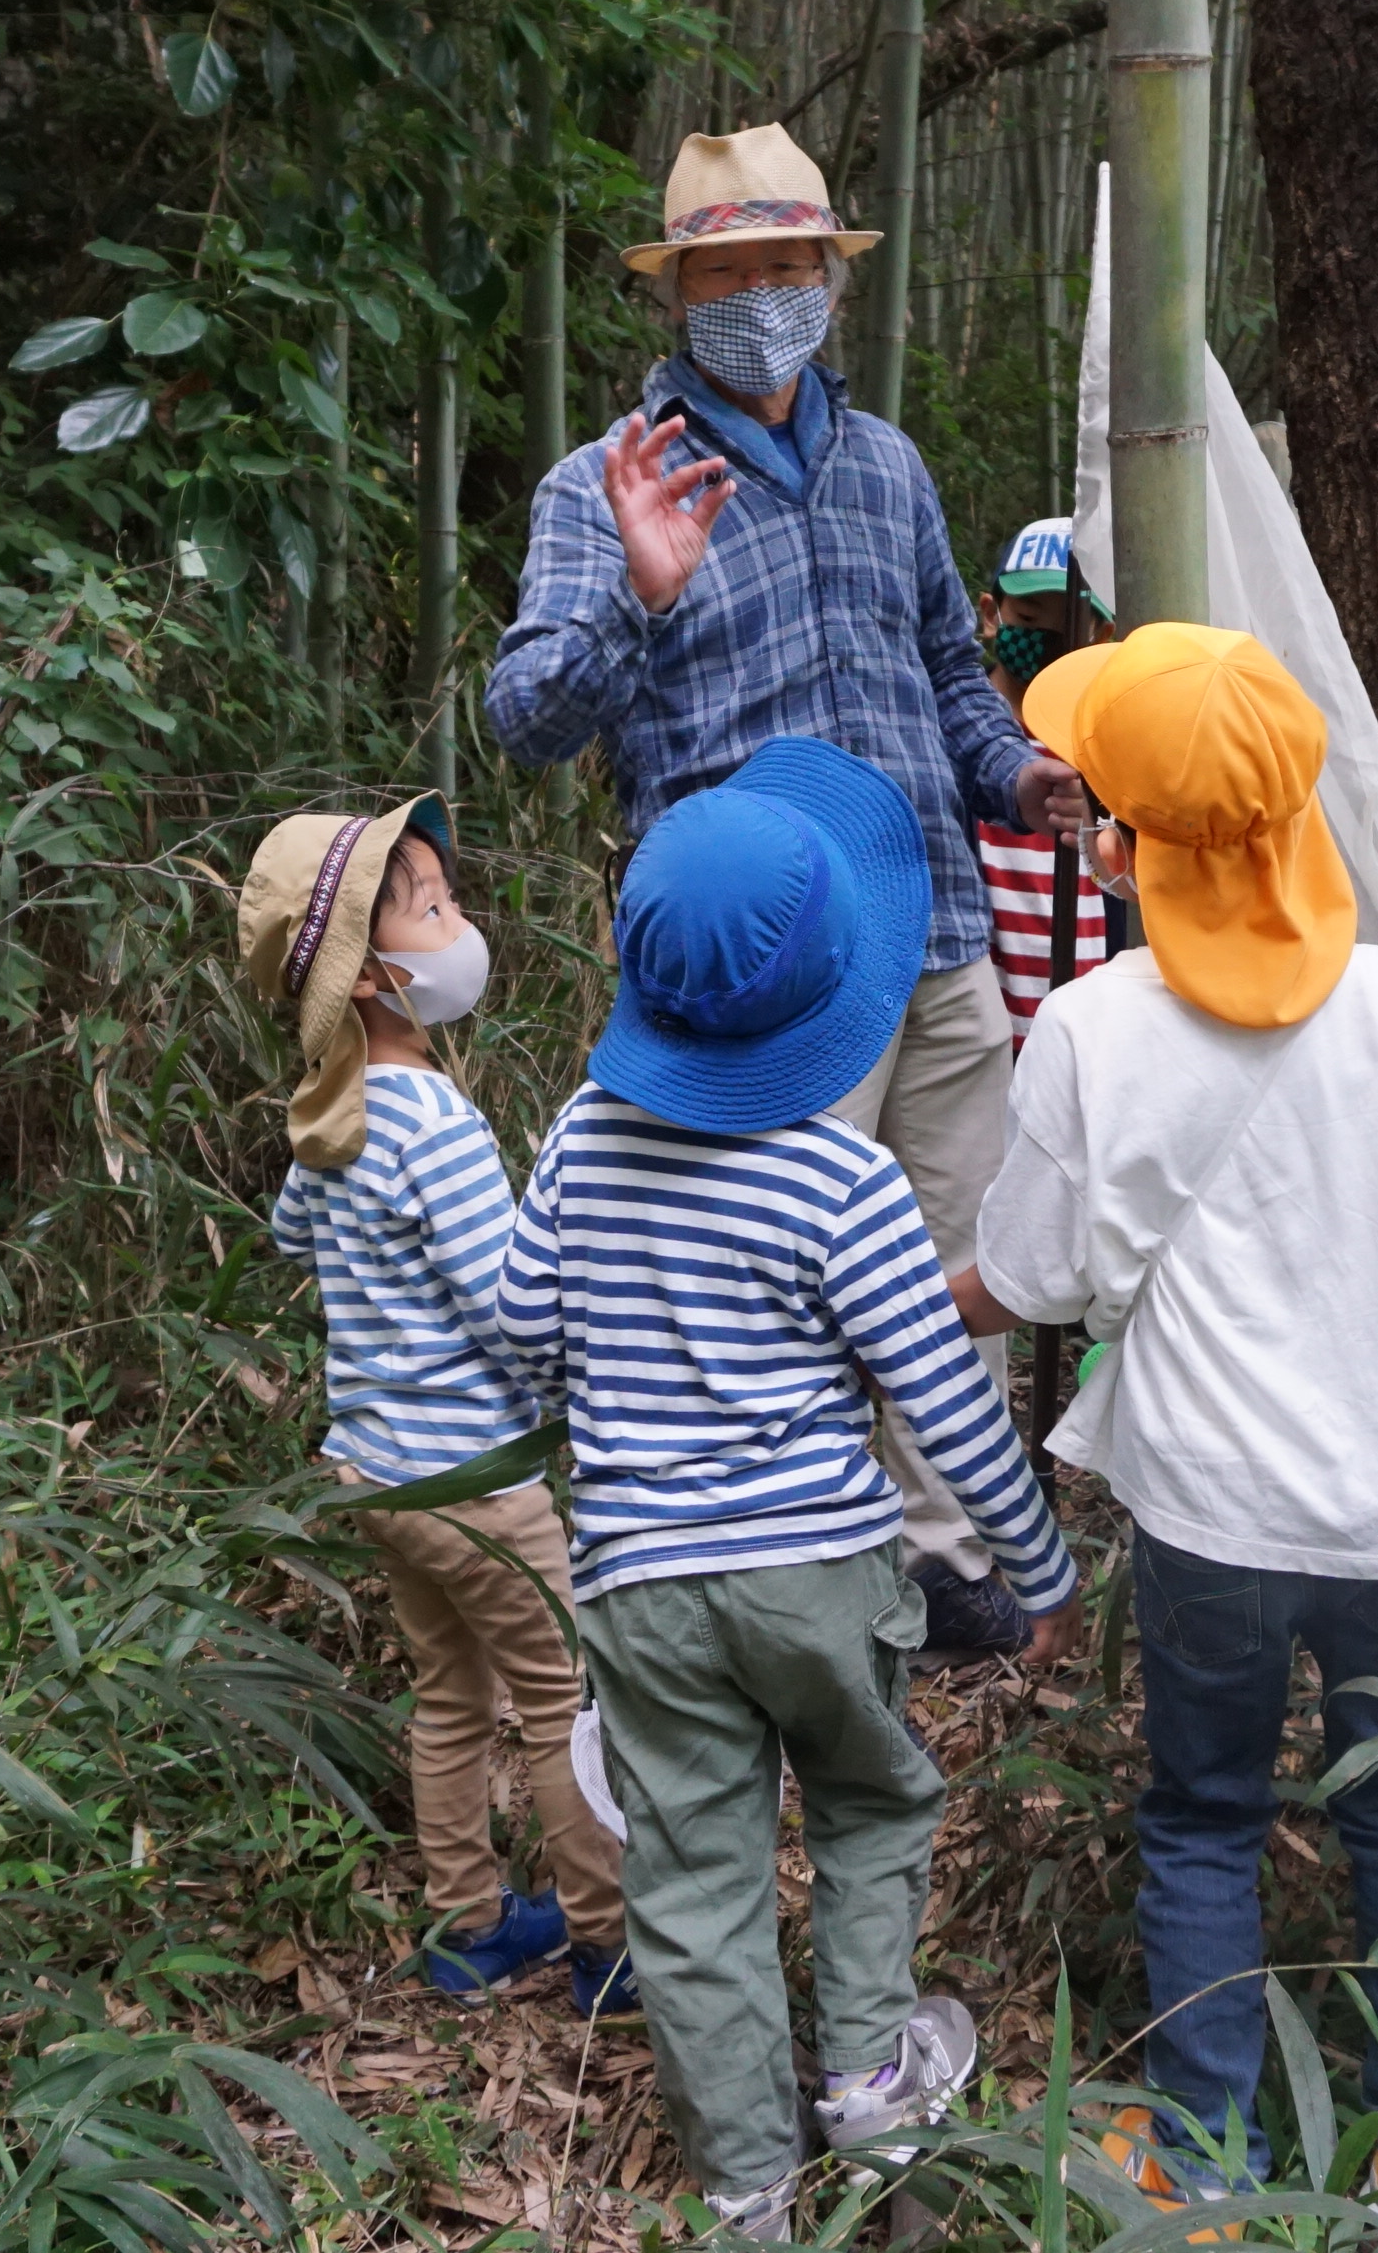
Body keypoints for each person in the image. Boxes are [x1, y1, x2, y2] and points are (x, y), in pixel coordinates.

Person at [949, 624, 1378, 2220]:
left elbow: (1034, 1274)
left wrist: (900, 1312)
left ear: (1131, 854)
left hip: (1203, 1511)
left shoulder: (1088, 1028)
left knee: (1202, 1812)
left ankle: (1207, 2148)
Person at [486, 122, 1090, 1667]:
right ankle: (801, 1569)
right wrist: (640, 587)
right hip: (757, 976)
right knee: (773, 1271)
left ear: (830, 277)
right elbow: (527, 721)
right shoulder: (603, 485)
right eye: (724, 273)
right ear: (675, 295)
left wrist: (1019, 774)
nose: (759, 296)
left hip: (943, 924)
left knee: (955, 1251)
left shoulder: (886, 466)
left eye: (785, 267)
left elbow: (951, 676)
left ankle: (948, 1561)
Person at [489, 736, 1083, 2240]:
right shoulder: (841, 1185)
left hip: (640, 1583)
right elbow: (945, 1399)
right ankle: (875, 2072)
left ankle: (747, 2186)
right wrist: (1041, 1570)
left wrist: (606, 1397)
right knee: (875, 1798)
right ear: (838, 995)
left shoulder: (579, 1138)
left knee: (695, 1871)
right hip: (820, 1574)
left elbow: (518, 1330)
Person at [240, 796, 633, 2023]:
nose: (459, 923)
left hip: (379, 1475)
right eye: (433, 909)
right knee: (559, 1698)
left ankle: (467, 1929)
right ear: (367, 977)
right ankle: (606, 1944)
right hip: (480, 1484)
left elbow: (286, 1236)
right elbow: (508, 1296)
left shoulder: (329, 1117)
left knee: (451, 1697)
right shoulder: (437, 1123)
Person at [972, 518, 1116, 1041]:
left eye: (1067, 629)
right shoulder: (958, 733)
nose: (1044, 641)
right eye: (1029, 617)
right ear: (991, 614)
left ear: (1101, 636)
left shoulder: (1106, 740)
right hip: (979, 1014)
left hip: (1086, 1018)